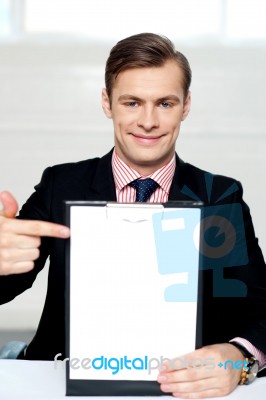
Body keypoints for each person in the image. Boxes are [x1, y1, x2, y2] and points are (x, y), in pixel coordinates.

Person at [0, 32, 266, 398]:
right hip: (59, 378)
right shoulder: (62, 184)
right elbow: (7, 286)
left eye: (165, 103)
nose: (148, 121)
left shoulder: (219, 197)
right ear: (107, 102)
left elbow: (260, 310)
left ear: (186, 106)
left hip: (176, 386)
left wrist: (236, 359)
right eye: (132, 102)